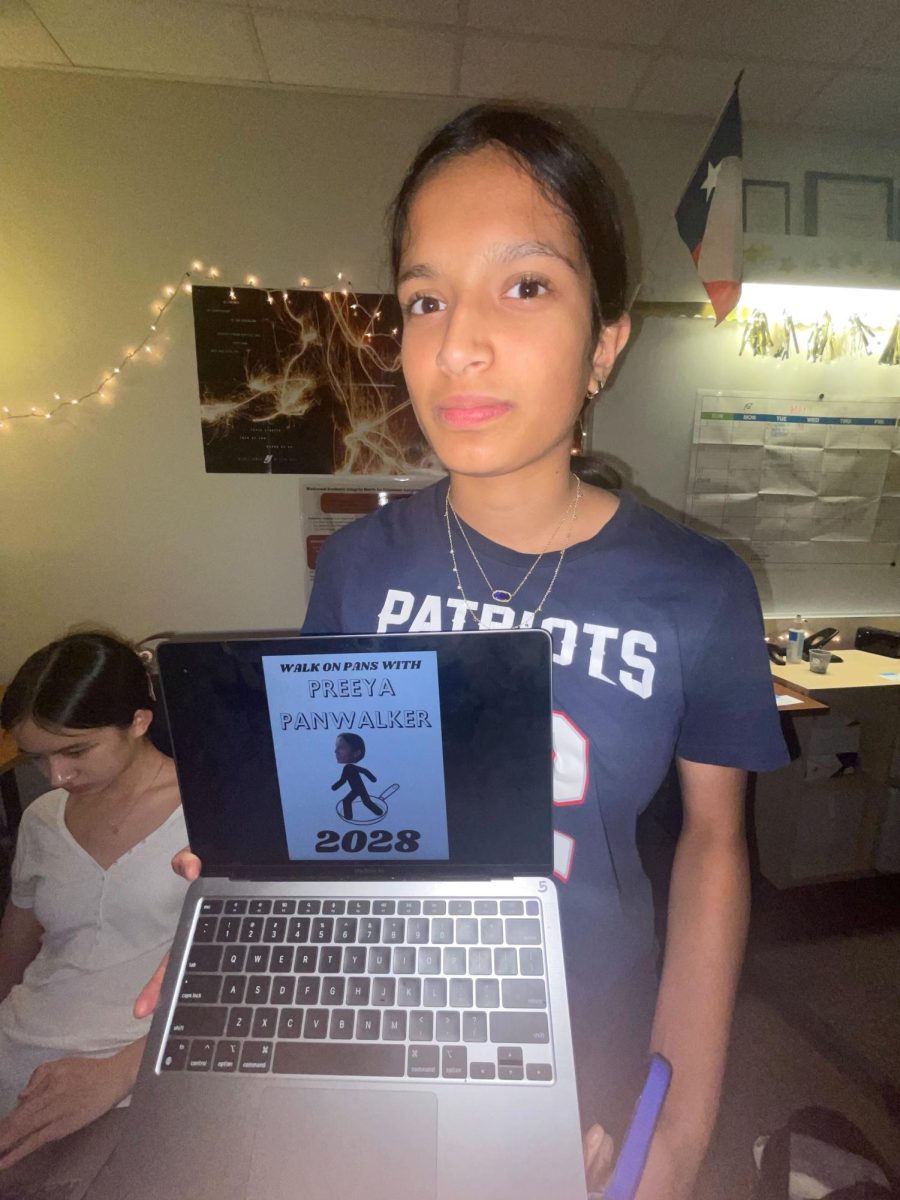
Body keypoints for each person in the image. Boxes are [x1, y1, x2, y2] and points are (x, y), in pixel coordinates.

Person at [140, 103, 787, 1198]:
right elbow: (335, 806)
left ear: (606, 344)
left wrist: (679, 1126)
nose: (457, 345)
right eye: (425, 300)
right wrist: (252, 888)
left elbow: (715, 845)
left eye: (525, 286)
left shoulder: (700, 588)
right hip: (376, 1004)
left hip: (584, 1027)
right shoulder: (360, 566)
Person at [0, 632, 189, 1176]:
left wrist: (121, 1072)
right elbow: (15, 950)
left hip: (132, 1072)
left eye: (75, 751)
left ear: (138, 722)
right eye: (38, 757)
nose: (55, 777)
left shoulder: (206, 814)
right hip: (17, 1049)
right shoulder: (42, 819)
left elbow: (242, 983)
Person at [332, 734, 382, 821]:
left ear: (356, 753)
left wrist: (373, 779)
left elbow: (364, 771)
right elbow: (343, 780)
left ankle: (380, 812)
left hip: (361, 789)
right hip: (355, 790)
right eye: (336, 747)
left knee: (367, 802)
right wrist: (335, 787)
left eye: (341, 748)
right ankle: (348, 818)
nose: (335, 751)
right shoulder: (347, 768)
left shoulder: (351, 767)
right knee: (347, 801)